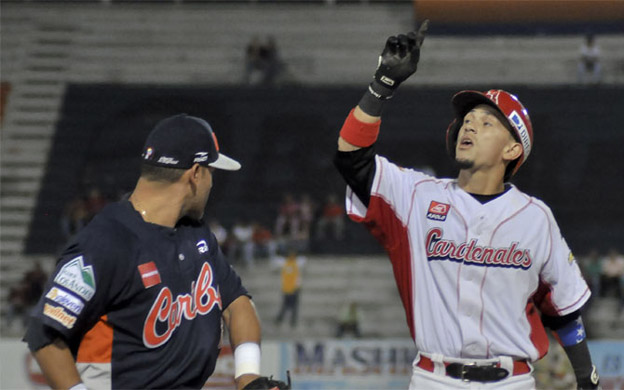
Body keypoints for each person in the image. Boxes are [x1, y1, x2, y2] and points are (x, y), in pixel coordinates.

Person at [333, 20, 600, 389]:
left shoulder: (536, 218)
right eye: (467, 120)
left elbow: (564, 311)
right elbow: (351, 158)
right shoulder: (415, 195)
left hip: (513, 381)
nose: (470, 126)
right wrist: (382, 85)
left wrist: (588, 379)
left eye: (487, 122)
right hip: (434, 378)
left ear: (512, 149)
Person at [23, 114, 288, 390]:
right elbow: (45, 334)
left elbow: (236, 303)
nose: (211, 183)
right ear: (195, 173)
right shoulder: (106, 242)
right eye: (211, 172)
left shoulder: (196, 234)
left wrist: (247, 376)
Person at [273, 251, 306, 329]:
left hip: (294, 289)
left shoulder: (295, 263)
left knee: (293, 307)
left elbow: (304, 260)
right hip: (287, 289)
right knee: (285, 306)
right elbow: (275, 261)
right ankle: (280, 319)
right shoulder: (286, 263)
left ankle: (291, 321)